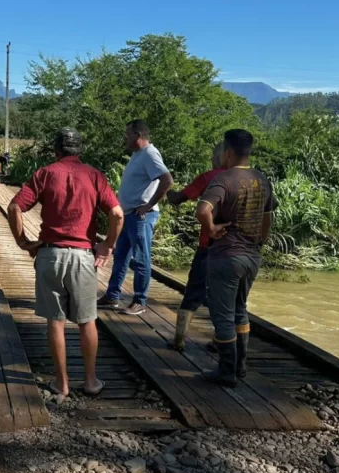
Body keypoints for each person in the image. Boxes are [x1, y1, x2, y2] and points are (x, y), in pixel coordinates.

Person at [8, 128, 124, 397]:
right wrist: (107, 245)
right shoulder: (94, 175)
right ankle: (91, 381)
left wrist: (23, 242)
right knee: (87, 321)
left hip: (50, 254)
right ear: (80, 150)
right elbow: (117, 214)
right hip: (83, 256)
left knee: (55, 322)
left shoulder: (45, 173)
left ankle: (61, 383)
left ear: (57, 149)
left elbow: (14, 208)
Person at [195, 129, 276, 385]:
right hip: (252, 257)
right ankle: (241, 366)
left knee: (222, 315)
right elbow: (268, 216)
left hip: (226, 256)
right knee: (240, 311)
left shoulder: (223, 180)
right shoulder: (261, 179)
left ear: (227, 152)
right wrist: (261, 241)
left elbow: (203, 209)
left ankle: (226, 371)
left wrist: (211, 229)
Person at [99, 119, 173, 316]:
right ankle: (112, 296)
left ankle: (140, 300)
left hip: (141, 217)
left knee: (141, 259)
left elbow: (167, 180)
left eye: (128, 135)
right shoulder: (137, 154)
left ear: (138, 136)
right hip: (128, 214)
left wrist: (148, 205)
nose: (126, 139)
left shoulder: (150, 153)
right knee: (120, 256)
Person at [165, 141, 226, 351]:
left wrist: (168, 193)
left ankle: (179, 340)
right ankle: (222, 342)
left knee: (194, 291)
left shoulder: (209, 177)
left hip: (208, 245)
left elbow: (181, 197)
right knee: (229, 297)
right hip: (237, 249)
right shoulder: (249, 179)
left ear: (221, 156)